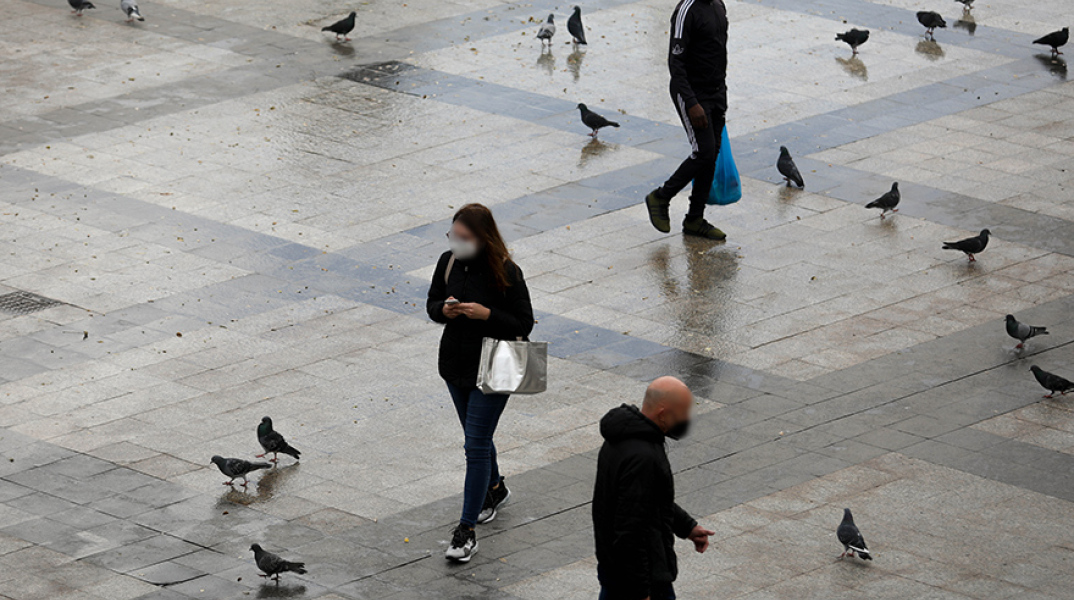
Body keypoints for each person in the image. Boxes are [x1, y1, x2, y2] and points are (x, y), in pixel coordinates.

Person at [426, 203, 534, 563]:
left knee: (474, 446)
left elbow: (523, 322)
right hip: (455, 366)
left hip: (494, 369)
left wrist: (487, 315)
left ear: (482, 237)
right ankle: (495, 488)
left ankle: (466, 530)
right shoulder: (448, 262)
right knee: (479, 438)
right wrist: (446, 310)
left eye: (464, 238)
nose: (457, 243)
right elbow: (431, 304)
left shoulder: (506, 271)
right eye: (453, 236)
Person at [592, 376, 715, 600]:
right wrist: (640, 591)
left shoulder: (621, 438)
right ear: (663, 414)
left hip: (616, 571)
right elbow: (630, 530)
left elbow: (650, 499)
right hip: (641, 580)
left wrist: (687, 527)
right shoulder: (643, 456)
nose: (687, 419)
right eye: (683, 413)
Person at [644, 0, 729, 241]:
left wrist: (722, 94)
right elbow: (676, 63)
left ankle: (694, 219)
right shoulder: (686, 10)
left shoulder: (719, 6)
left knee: (711, 154)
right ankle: (661, 197)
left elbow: (719, 50)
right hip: (692, 93)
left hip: (716, 93)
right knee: (703, 151)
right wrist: (692, 103)